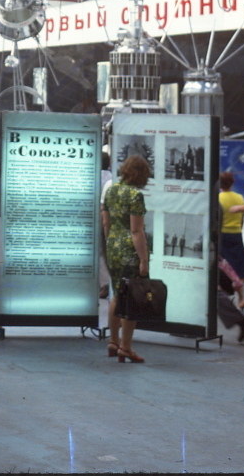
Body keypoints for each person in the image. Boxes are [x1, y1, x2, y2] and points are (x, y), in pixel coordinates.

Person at [101, 151, 151, 363]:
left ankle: (113, 341)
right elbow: (136, 231)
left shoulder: (112, 190)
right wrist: (144, 259)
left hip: (113, 246)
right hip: (130, 250)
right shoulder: (135, 195)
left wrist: (111, 242)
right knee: (132, 298)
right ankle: (126, 347)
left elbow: (106, 222)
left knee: (117, 294)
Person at [217, 171, 244, 307]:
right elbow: (242, 219)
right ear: (232, 183)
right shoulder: (240, 198)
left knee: (221, 269)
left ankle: (222, 298)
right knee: (237, 270)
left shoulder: (218, 198)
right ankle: (241, 298)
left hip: (222, 235)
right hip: (236, 234)